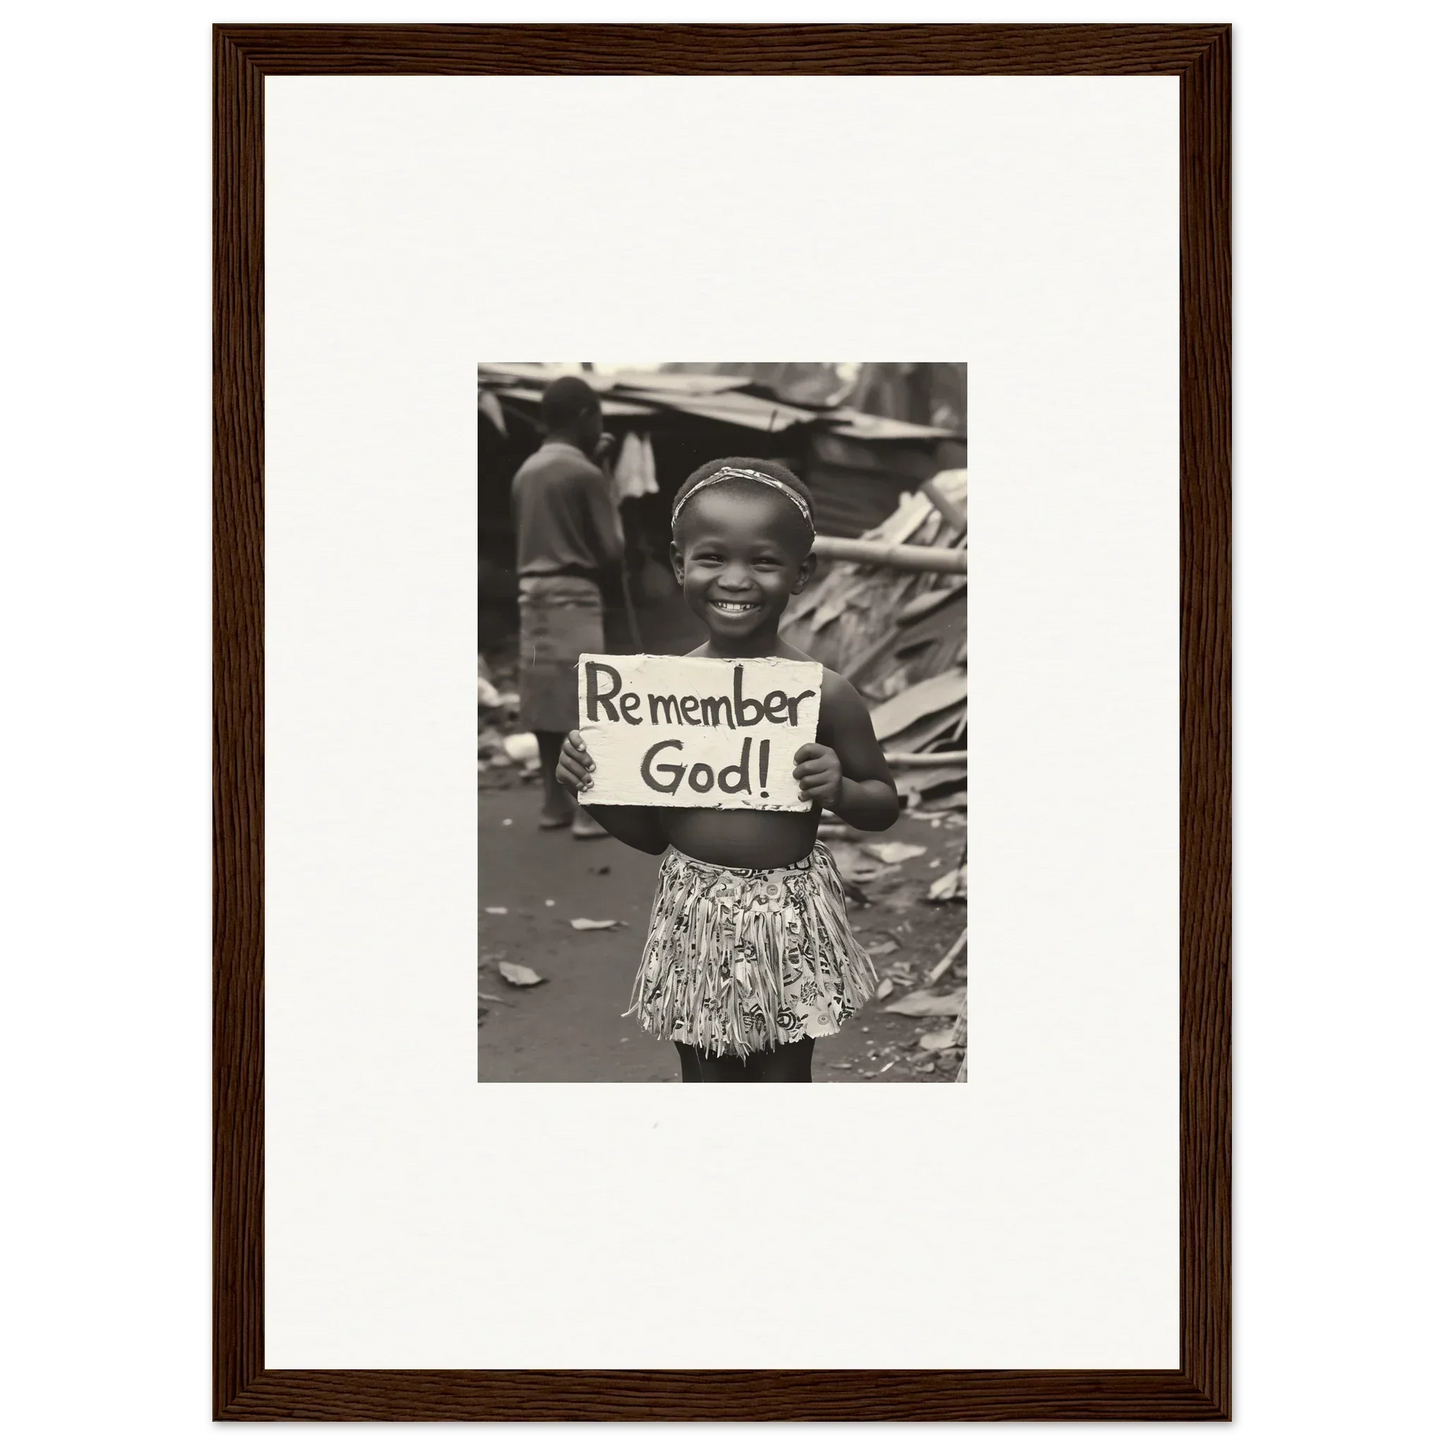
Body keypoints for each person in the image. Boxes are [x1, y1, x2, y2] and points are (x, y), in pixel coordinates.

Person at [555, 458, 900, 1081]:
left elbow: (884, 803)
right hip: (695, 912)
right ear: (680, 563)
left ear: (801, 574)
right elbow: (654, 834)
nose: (736, 580)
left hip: (787, 917)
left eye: (763, 562)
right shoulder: (655, 700)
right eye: (713, 558)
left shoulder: (825, 695)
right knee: (706, 1077)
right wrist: (592, 790)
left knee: (784, 1076)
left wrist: (842, 789)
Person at [513, 375, 623, 838]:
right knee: (587, 701)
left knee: (544, 703)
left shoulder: (527, 472)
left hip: (532, 599)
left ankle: (553, 806)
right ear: (585, 418)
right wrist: (604, 474)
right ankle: (587, 811)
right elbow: (612, 549)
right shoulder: (585, 473)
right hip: (575, 597)